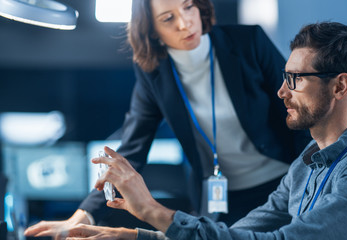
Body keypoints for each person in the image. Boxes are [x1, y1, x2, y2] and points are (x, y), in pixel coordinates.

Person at [59, 21, 347, 240]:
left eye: (295, 79)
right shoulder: (304, 165)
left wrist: (152, 209)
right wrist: (134, 236)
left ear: (339, 87)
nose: (281, 92)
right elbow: (235, 234)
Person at [24, 0, 310, 237]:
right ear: (153, 32)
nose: (184, 23)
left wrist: (311, 178)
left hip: (283, 181)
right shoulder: (154, 73)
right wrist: (82, 214)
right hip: (222, 198)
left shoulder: (249, 42)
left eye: (188, 8)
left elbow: (298, 108)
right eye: (168, 18)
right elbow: (133, 150)